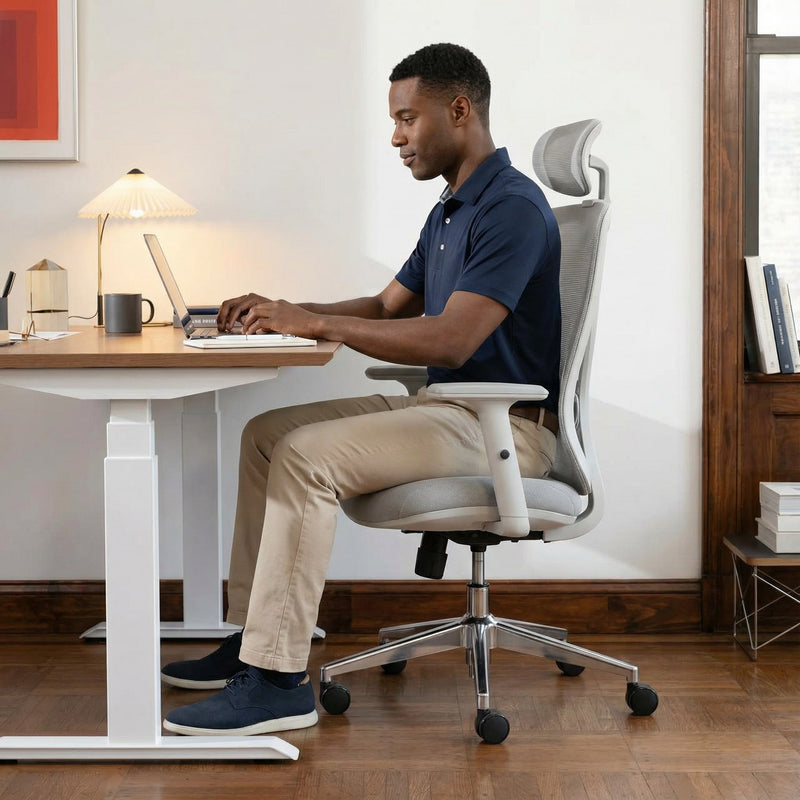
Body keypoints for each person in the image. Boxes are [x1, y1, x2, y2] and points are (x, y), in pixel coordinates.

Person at [162, 42, 561, 736]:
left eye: (407, 119)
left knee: (306, 456)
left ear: (458, 110)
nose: (396, 137)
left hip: (503, 427)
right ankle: (254, 641)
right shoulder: (450, 209)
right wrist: (284, 311)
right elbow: (384, 307)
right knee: (267, 436)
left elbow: (451, 340)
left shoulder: (511, 208)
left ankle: (277, 681)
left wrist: (317, 325)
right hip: (449, 410)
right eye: (394, 121)